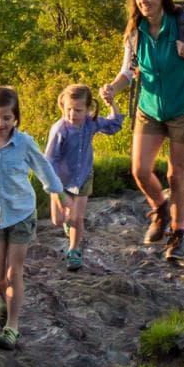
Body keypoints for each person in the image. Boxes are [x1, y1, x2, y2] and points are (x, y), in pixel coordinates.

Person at [104, 0, 184, 261]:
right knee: (139, 170)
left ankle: (178, 233)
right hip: (149, 108)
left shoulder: (183, 24)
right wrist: (113, 87)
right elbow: (128, 71)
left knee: (176, 174)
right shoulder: (134, 31)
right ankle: (159, 209)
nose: (143, 1)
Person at [0, 86, 64, 350]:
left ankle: (12, 326)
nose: (1, 123)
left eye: (7, 118)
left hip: (21, 213)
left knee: (13, 273)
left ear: (16, 118)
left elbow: (44, 168)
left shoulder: (24, 143)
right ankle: (5, 299)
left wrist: (58, 195)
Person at [43, 82, 123, 270]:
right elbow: (50, 160)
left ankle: (74, 250)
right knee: (59, 220)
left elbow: (114, 125)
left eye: (78, 110)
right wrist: (55, 188)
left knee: (77, 217)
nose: (72, 114)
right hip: (60, 180)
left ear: (88, 109)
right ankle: (68, 226)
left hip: (83, 176)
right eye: (69, 109)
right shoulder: (59, 129)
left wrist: (112, 103)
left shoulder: (91, 123)